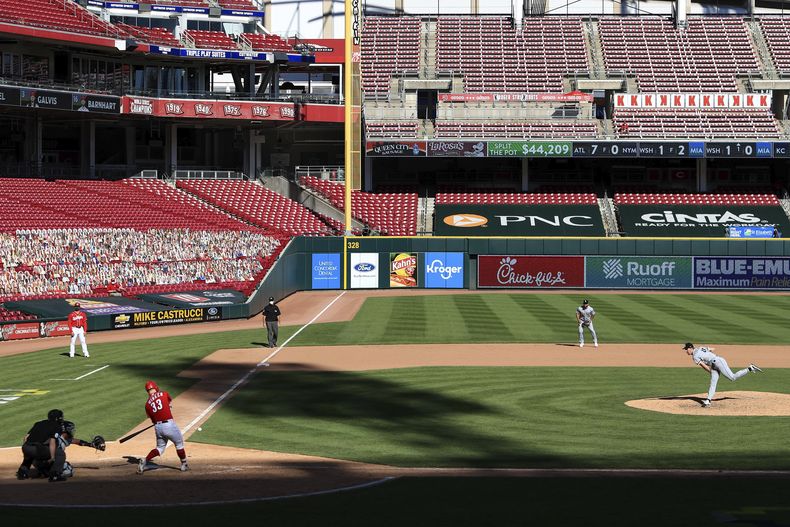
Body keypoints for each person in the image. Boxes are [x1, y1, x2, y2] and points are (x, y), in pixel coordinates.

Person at [683, 342, 762, 407]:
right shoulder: (700, 348)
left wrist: (710, 370)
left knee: (732, 377)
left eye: (686, 349)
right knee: (713, 382)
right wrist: (710, 357)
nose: (686, 351)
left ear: (690, 348)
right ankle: (708, 400)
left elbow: (704, 366)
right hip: (714, 363)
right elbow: (711, 349)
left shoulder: (695, 357)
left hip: (718, 362)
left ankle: (750, 368)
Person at [138, 380, 189, 474]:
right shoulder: (163, 394)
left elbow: (153, 420)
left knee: (160, 448)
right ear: (155, 387)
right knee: (179, 444)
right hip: (169, 425)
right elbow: (168, 403)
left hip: (158, 427)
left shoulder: (147, 405)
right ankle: (184, 464)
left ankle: (145, 461)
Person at [16, 409, 66, 482]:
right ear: (57, 418)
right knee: (60, 453)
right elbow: (52, 442)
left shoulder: (39, 423)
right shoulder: (56, 426)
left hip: (25, 447)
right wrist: (52, 458)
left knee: (29, 456)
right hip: (37, 448)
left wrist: (26, 453)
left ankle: (22, 473)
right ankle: (55, 475)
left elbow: (26, 437)